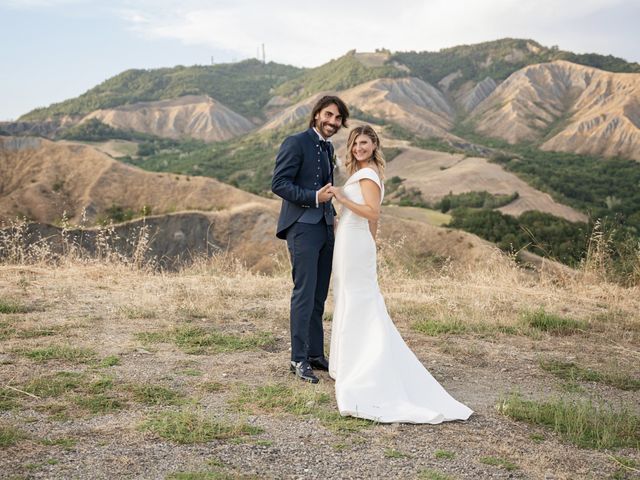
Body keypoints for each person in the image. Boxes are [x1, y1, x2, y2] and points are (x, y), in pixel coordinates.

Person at [327, 125, 473, 423]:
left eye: (364, 143)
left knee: (359, 300)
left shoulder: (368, 176)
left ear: (374, 145)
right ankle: (347, 361)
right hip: (350, 241)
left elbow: (372, 213)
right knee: (347, 296)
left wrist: (341, 198)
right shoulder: (361, 172)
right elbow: (368, 221)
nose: (359, 148)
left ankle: (366, 366)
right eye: (355, 143)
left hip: (355, 242)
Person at [271, 95, 350, 384]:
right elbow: (279, 183)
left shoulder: (328, 148)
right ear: (317, 114)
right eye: (328, 115)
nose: (332, 121)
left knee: (319, 295)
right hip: (302, 228)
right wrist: (314, 198)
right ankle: (298, 358)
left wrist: (332, 214)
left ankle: (315, 354)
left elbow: (327, 187)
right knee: (303, 293)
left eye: (338, 118)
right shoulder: (295, 142)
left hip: (326, 227)